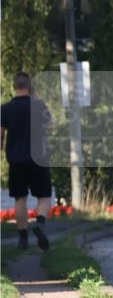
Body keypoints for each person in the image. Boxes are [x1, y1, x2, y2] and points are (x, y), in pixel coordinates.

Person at [0, 73, 52, 251]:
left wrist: (2, 148)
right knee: (44, 196)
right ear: (29, 87)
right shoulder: (38, 105)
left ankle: (22, 239)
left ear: (14, 87)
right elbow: (51, 125)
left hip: (16, 160)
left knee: (20, 198)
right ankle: (40, 223)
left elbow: (0, 134)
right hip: (39, 158)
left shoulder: (5, 109)